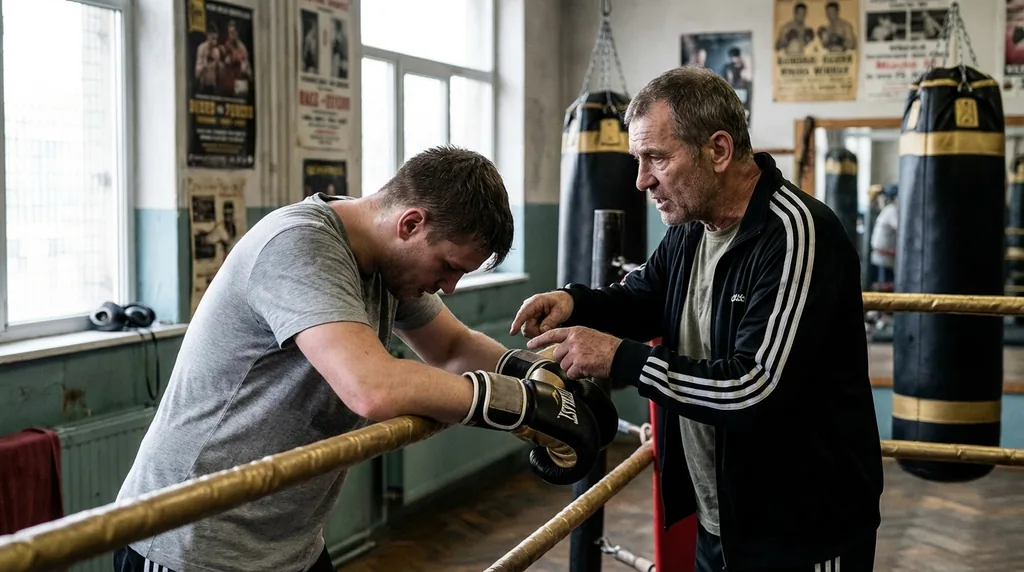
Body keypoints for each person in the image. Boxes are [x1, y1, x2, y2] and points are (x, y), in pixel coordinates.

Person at [112, 145, 617, 572]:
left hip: (287, 542)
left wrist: (537, 377)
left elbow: (452, 348)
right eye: (447, 266)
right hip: (191, 542)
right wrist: (518, 405)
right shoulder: (299, 245)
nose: (449, 285)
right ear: (411, 223)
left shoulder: (387, 263)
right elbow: (371, 388)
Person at [511, 67, 883, 571]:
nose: (641, 180)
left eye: (656, 158)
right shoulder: (692, 227)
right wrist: (576, 303)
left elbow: (754, 387)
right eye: (638, 160)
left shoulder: (797, 236)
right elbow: (643, 297)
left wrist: (621, 359)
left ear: (719, 150)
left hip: (802, 530)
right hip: (721, 519)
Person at [870, 184, 899, 292]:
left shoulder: (888, 209)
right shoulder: (892, 210)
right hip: (883, 258)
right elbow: (901, 228)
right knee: (883, 288)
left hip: (882, 257)